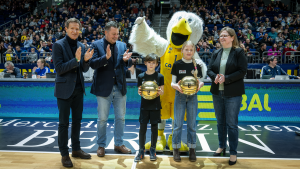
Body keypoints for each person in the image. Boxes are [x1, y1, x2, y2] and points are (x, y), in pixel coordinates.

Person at [52, 18, 94, 168]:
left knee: (77, 121)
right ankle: (64, 154)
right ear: (66, 29)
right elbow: (59, 69)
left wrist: (86, 61)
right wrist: (76, 59)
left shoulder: (81, 45)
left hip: (78, 89)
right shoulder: (58, 45)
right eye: (72, 28)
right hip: (64, 90)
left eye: (77, 29)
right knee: (63, 124)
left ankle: (76, 149)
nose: (75, 31)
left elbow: (82, 69)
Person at [89, 21, 133, 157]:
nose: (116, 36)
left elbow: (126, 64)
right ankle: (101, 145)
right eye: (113, 34)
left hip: (120, 87)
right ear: (106, 33)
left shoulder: (122, 45)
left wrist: (127, 61)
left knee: (120, 118)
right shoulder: (95, 45)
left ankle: (118, 143)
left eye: (117, 34)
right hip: (103, 88)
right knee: (102, 118)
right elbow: (92, 64)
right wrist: (105, 58)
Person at [207, 27, 247, 166]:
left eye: (225, 35)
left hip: (233, 93)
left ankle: (233, 152)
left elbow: (242, 71)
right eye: (220, 35)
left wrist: (227, 78)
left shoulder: (238, 52)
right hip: (217, 92)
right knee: (220, 122)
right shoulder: (216, 52)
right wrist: (215, 77)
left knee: (231, 124)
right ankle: (221, 145)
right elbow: (209, 69)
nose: (222, 37)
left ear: (232, 38)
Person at [171, 41, 204, 162]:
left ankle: (192, 149)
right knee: (178, 124)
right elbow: (172, 83)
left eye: (191, 50)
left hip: (193, 96)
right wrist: (177, 86)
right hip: (180, 95)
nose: (189, 52)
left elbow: (199, 81)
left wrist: (200, 84)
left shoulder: (197, 65)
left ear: (194, 51)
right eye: (186, 49)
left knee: (192, 124)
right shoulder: (177, 64)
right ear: (182, 51)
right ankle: (176, 149)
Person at [135, 54, 164, 162]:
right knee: (142, 128)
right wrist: (139, 92)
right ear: (145, 63)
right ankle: (141, 150)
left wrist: (161, 92)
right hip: (144, 106)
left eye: (153, 63)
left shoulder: (160, 77)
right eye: (149, 62)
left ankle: (153, 149)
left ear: (157, 64)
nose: (151, 64)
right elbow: (140, 91)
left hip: (155, 106)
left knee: (154, 128)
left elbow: (162, 91)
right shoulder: (141, 76)